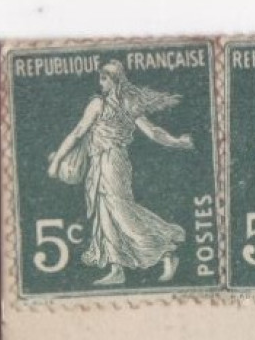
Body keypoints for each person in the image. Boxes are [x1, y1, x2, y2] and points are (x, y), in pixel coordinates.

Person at [46, 61, 193, 286]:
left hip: (112, 163)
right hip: (100, 163)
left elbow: (78, 133)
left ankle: (165, 251)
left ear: (115, 80)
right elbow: (153, 133)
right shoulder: (122, 103)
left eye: (104, 79)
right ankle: (117, 269)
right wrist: (178, 142)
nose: (101, 82)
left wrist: (56, 161)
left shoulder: (105, 104)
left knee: (122, 212)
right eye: (100, 78)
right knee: (105, 213)